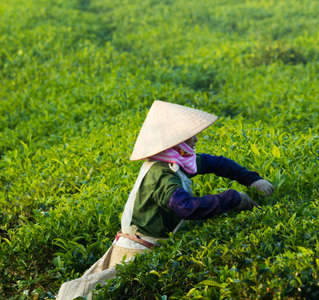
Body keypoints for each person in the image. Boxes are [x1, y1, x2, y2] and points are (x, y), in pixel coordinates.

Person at [57, 100, 273, 299]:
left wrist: (252, 180)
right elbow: (186, 208)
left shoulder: (173, 161)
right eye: (190, 135)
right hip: (134, 252)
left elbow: (214, 163)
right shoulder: (162, 174)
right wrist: (232, 198)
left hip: (138, 245)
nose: (196, 139)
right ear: (176, 140)